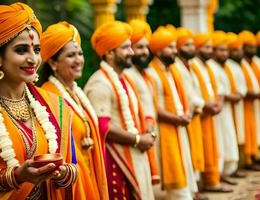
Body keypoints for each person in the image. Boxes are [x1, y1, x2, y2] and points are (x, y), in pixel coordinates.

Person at [0, 3, 78, 199]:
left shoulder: (54, 105)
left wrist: (64, 173)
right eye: (22, 50)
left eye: (37, 50)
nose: (33, 59)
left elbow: (74, 168)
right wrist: (15, 177)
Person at [84, 21, 155, 200]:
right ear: (109, 53)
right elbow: (102, 127)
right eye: (125, 48)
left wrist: (147, 129)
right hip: (116, 162)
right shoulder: (100, 83)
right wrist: (138, 139)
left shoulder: (123, 79)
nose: (131, 52)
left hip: (133, 154)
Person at [39, 21, 108, 200]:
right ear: (53, 63)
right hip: (70, 183)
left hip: (90, 172)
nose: (78, 60)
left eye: (80, 53)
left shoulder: (76, 92)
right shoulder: (48, 95)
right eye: (71, 55)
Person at [146, 26, 197, 199]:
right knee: (170, 168)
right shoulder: (152, 73)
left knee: (182, 164)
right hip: (163, 130)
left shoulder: (172, 71)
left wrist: (186, 114)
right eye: (171, 47)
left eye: (175, 46)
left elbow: (182, 98)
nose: (175, 51)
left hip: (178, 125)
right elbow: (154, 108)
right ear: (159, 51)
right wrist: (177, 118)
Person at [190, 33, 231, 192]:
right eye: (207, 47)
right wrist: (206, 106)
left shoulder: (209, 66)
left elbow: (219, 89)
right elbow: (191, 93)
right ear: (198, 48)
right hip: (201, 114)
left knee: (215, 147)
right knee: (201, 149)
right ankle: (204, 185)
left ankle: (214, 180)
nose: (210, 51)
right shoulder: (193, 66)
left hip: (212, 113)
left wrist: (218, 103)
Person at [122, 19, 160, 185]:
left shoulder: (143, 73)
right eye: (139, 47)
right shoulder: (127, 75)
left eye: (146, 47)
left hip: (149, 131)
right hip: (136, 137)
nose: (145, 52)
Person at [174, 27, 207, 200]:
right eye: (187, 45)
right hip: (187, 115)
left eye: (192, 45)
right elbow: (187, 94)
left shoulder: (190, 67)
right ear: (178, 48)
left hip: (194, 114)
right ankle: (192, 191)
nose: (191, 48)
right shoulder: (178, 68)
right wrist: (201, 104)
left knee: (194, 151)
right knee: (188, 153)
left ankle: (194, 190)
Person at [206, 31, 239, 185]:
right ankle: (218, 175)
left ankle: (226, 173)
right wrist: (224, 99)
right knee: (220, 141)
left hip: (224, 110)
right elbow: (220, 91)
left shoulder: (223, 67)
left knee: (227, 140)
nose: (224, 53)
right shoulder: (211, 67)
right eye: (221, 50)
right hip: (216, 110)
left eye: (226, 50)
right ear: (214, 51)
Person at [224, 33, 247, 174]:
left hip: (237, 106)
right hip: (225, 108)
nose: (239, 52)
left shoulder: (234, 66)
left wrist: (239, 94)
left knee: (236, 136)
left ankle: (237, 167)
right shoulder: (224, 66)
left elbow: (243, 87)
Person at [238, 30, 260, 170]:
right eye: (249, 47)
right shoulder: (240, 65)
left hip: (256, 103)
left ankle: (256, 156)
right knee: (247, 130)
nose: (252, 50)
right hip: (246, 103)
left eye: (253, 47)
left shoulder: (256, 62)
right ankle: (248, 160)